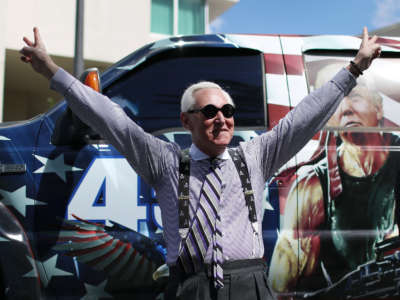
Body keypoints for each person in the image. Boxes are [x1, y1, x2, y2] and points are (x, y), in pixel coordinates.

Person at [20, 27, 380, 300]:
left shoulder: (254, 157)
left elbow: (304, 117)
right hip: (190, 286)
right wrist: (52, 70)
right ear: (187, 120)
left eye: (228, 111)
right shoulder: (164, 163)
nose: (221, 119)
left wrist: (353, 70)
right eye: (209, 111)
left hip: (248, 285)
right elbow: (110, 119)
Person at [268, 63, 400, 297]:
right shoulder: (312, 186)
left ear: (379, 108)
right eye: (335, 102)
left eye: (354, 95)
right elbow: (282, 289)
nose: (346, 108)